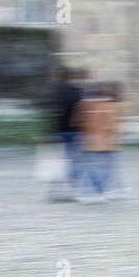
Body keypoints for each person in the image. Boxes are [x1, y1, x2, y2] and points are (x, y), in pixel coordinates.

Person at [72, 82, 119, 202]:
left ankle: (89, 191)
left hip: (91, 141)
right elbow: (111, 125)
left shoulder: (84, 105)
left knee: (91, 167)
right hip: (105, 142)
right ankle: (100, 191)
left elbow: (77, 123)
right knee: (105, 168)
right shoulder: (109, 106)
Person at [48, 67, 85, 201]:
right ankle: (76, 187)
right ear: (70, 76)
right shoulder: (75, 91)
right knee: (75, 159)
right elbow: (82, 110)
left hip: (60, 131)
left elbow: (51, 112)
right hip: (75, 130)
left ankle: (57, 189)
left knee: (59, 159)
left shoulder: (54, 91)